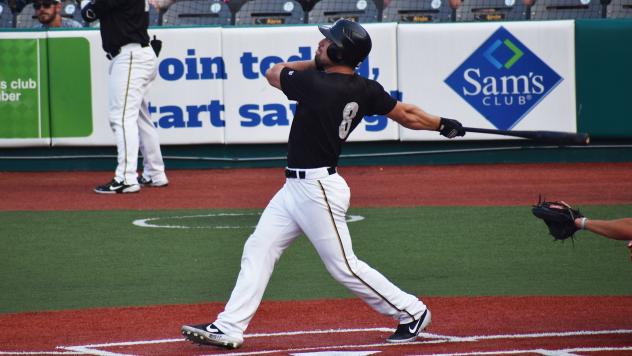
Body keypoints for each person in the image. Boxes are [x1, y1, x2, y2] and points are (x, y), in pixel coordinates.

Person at [181, 19, 465, 349]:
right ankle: (229, 325)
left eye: (327, 41)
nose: (319, 44)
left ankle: (412, 310)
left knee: (343, 266)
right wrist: (443, 124)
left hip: (317, 189)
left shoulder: (316, 84)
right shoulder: (364, 88)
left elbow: (274, 71)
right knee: (259, 249)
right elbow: (409, 115)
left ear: (340, 50)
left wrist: (317, 62)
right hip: (296, 189)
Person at [81, 0, 168, 194]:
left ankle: (127, 178)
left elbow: (88, 14)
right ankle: (155, 173)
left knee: (121, 118)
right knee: (140, 117)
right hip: (137, 54)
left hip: (130, 57)